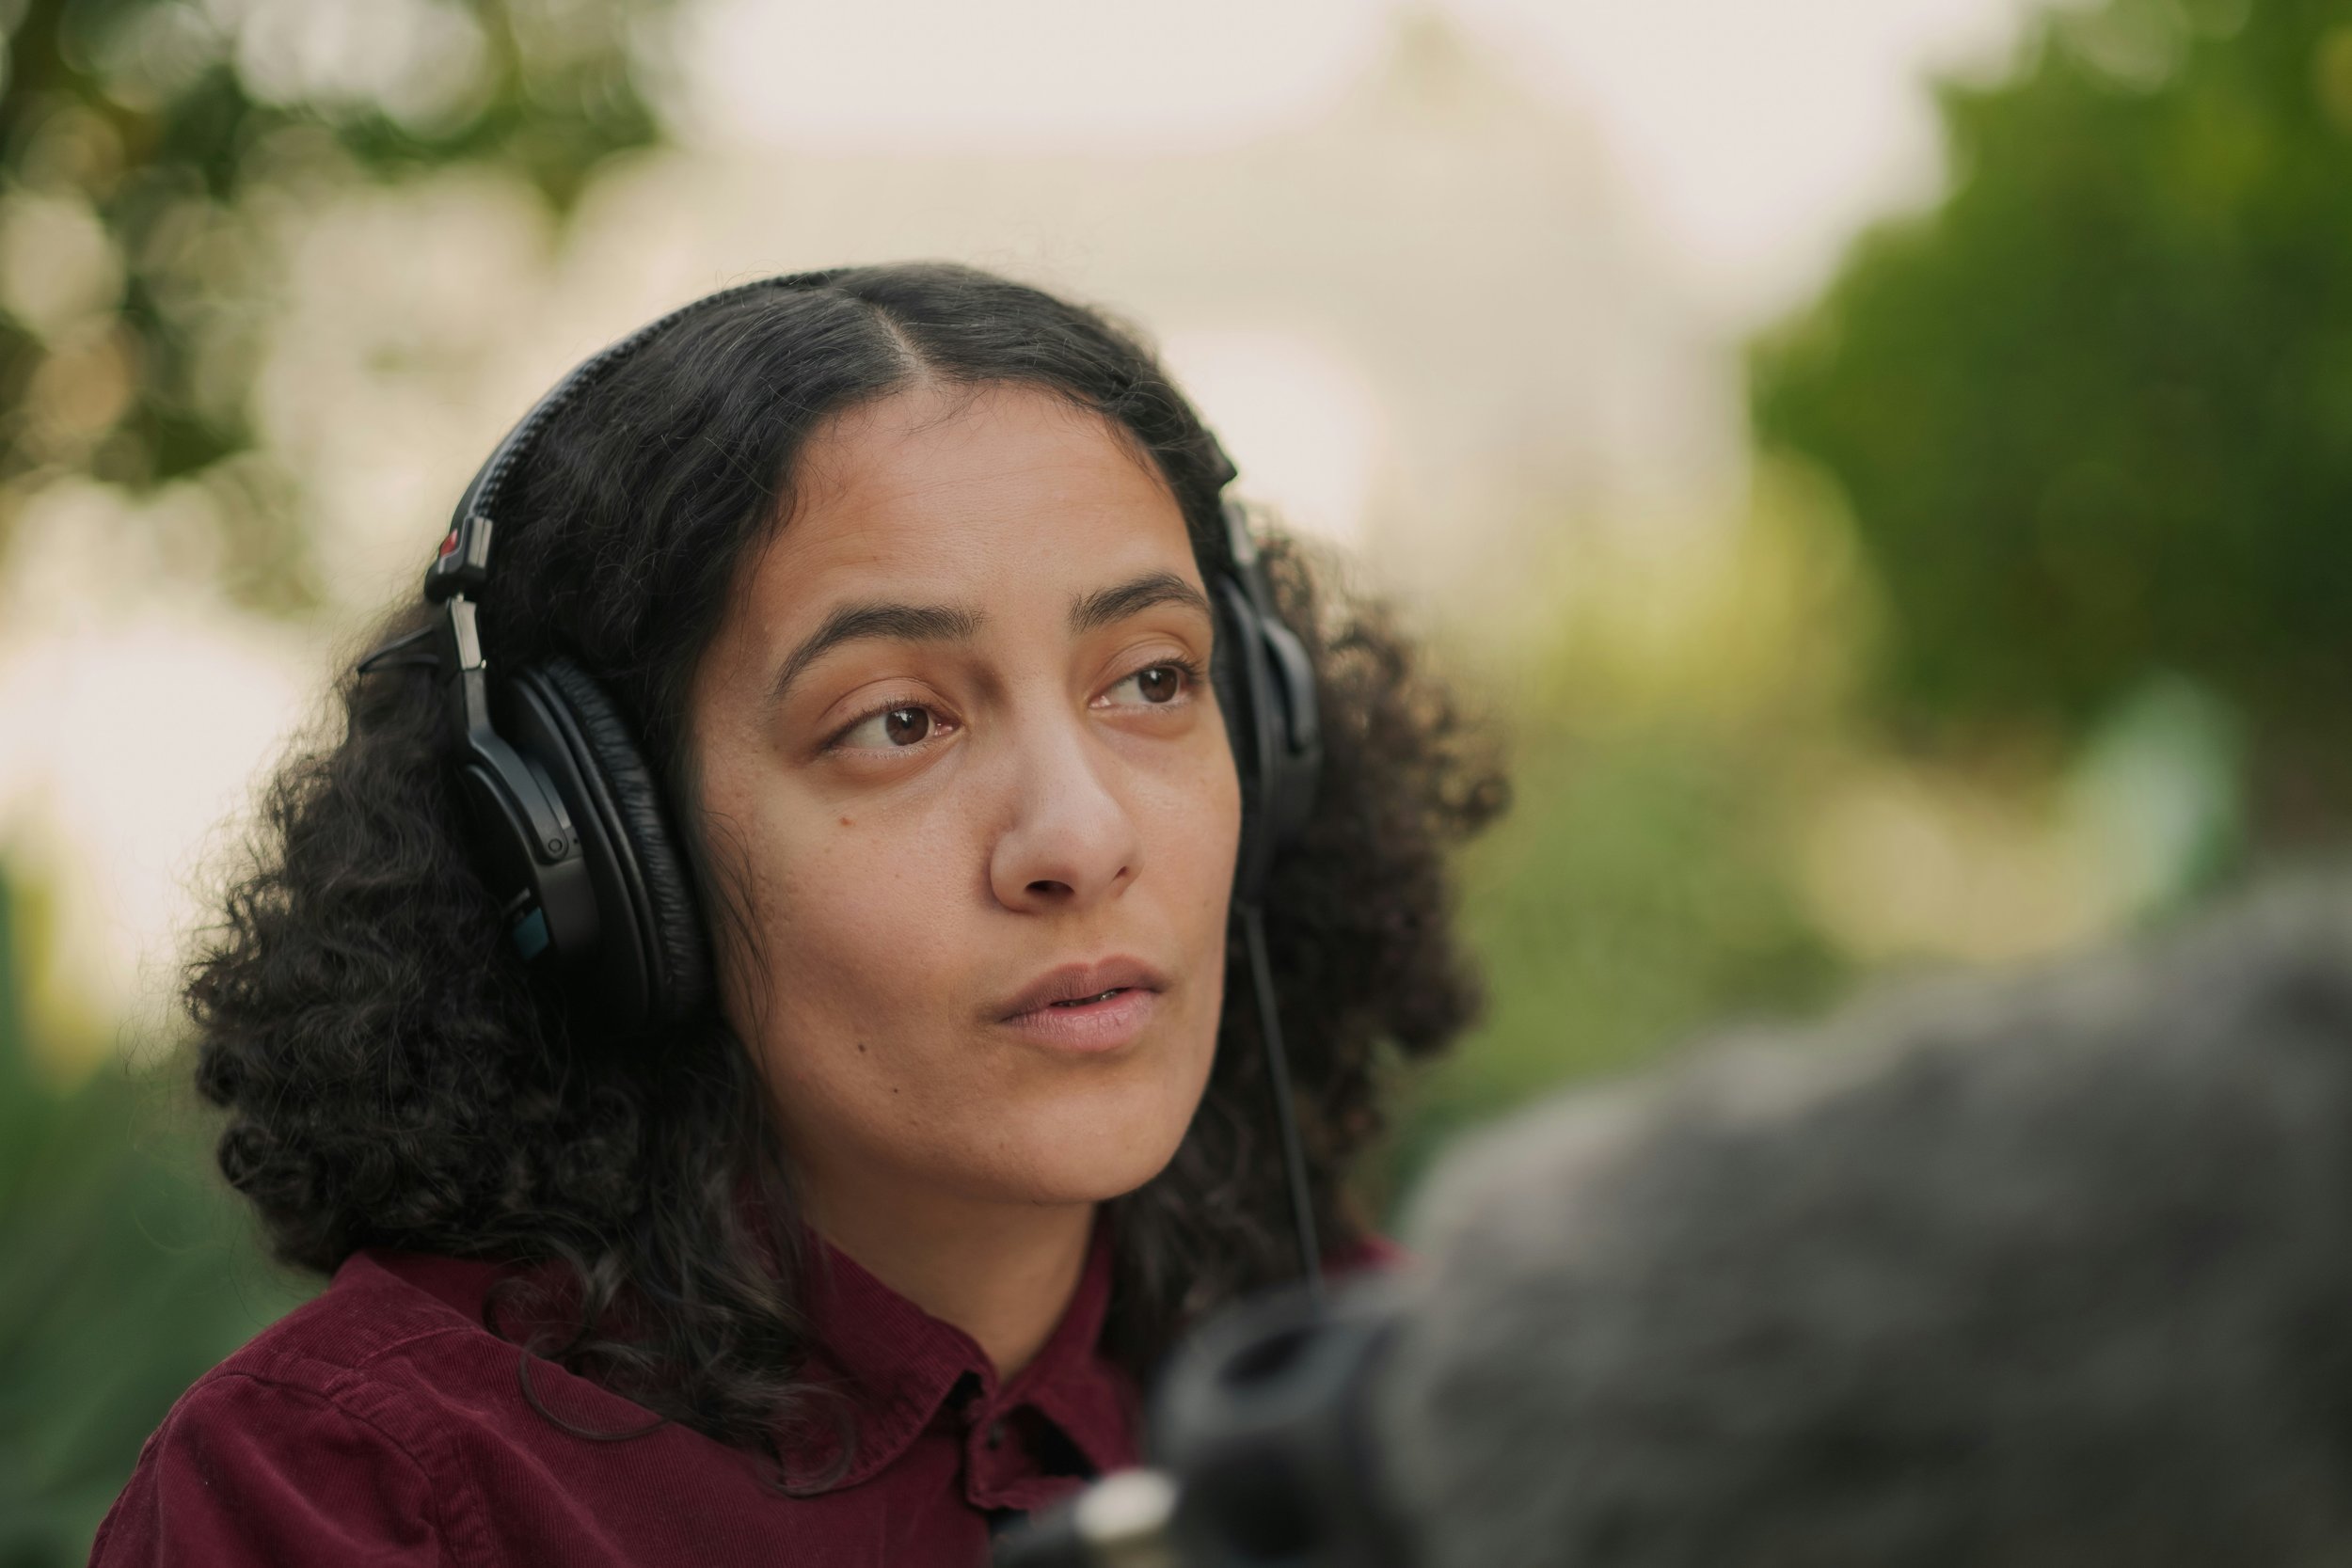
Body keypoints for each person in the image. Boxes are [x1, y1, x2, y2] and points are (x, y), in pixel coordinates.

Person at [87, 263, 1508, 1567]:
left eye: (1150, 682)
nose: (1081, 838)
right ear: (591, 856)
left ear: (1267, 735)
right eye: (899, 722)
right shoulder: (347, 1495)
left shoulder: (1432, 1391)